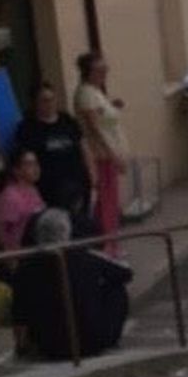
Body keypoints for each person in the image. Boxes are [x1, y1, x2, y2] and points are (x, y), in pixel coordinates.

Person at [11, 209, 132, 360]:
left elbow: (18, 314)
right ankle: (109, 335)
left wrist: (21, 346)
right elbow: (125, 273)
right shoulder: (84, 257)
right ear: (68, 231)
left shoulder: (25, 267)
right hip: (94, 341)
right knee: (116, 289)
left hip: (49, 345)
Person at [15, 81, 96, 231]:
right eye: (44, 100)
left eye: (52, 99)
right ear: (35, 103)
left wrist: (92, 175)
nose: (50, 104)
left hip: (77, 182)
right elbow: (26, 160)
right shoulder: (28, 128)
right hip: (49, 188)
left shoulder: (67, 120)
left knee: (81, 224)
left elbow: (83, 147)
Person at [74, 52, 129, 256]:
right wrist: (113, 154)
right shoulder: (87, 94)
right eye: (100, 70)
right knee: (107, 201)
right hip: (102, 156)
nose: (104, 74)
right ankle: (109, 245)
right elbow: (95, 127)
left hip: (106, 154)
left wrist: (112, 107)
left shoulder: (95, 92)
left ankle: (108, 242)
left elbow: (102, 119)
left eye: (105, 70)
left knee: (108, 200)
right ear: (89, 72)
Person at [0, 149, 46, 253]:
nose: (36, 168)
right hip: (19, 253)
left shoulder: (34, 191)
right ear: (16, 170)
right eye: (29, 164)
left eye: (36, 163)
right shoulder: (9, 195)